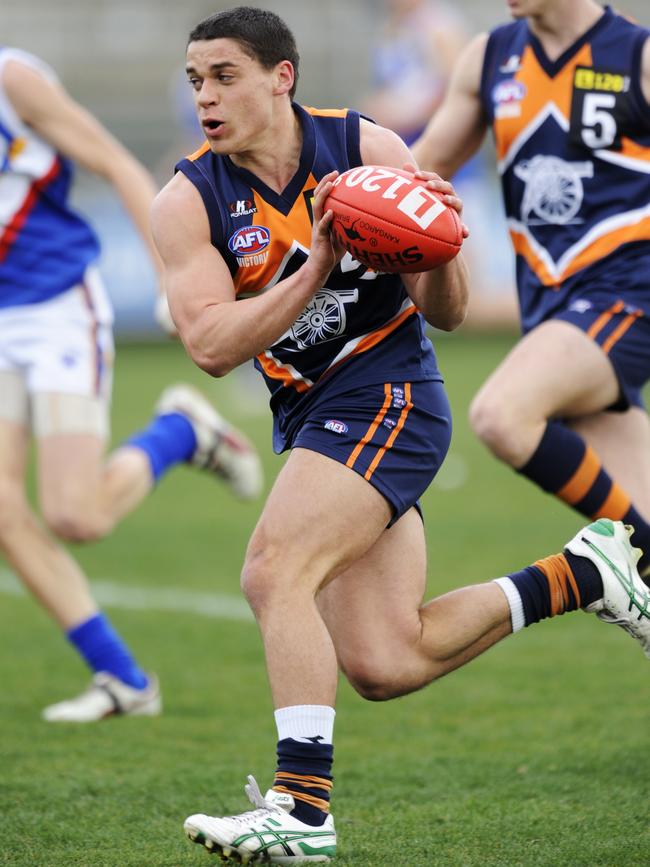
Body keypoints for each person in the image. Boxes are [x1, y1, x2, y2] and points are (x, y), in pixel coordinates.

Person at [151, 8, 650, 863]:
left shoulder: (369, 150)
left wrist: (439, 244)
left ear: (282, 77)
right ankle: (586, 572)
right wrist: (316, 260)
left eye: (225, 75)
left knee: (275, 571)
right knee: (386, 661)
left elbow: (449, 315)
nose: (206, 96)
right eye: (196, 79)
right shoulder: (187, 199)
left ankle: (301, 811)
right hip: (309, 415)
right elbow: (208, 345)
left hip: (390, 393)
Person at [0, 46, 263, 723]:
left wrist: (169, 279)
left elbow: (116, 162)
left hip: (57, 306)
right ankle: (123, 677)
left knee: (75, 515)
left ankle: (183, 431)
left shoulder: (14, 80)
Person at [413, 0, 650, 577]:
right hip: (554, 315)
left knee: (502, 414)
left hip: (629, 294)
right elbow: (414, 176)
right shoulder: (489, 57)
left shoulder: (637, 56)